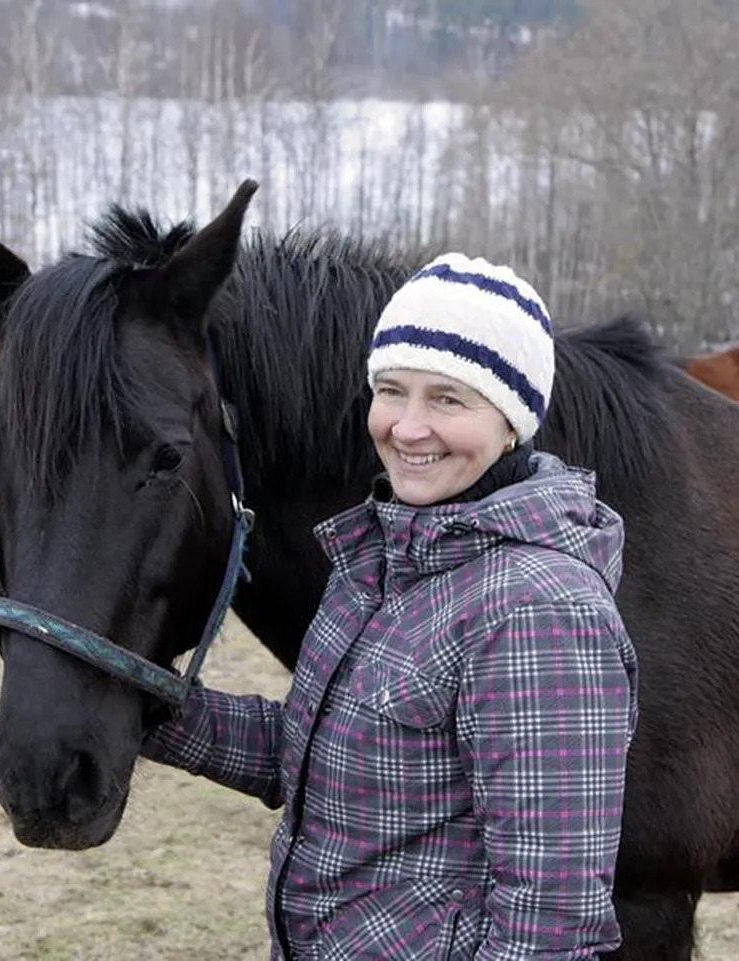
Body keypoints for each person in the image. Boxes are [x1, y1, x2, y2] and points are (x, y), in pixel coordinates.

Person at [141, 253, 640, 960]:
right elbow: (323, 756)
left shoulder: (537, 611)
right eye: (391, 390)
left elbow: (549, 922)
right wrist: (153, 706)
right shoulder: (387, 559)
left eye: (448, 399)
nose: (406, 428)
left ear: (512, 421)